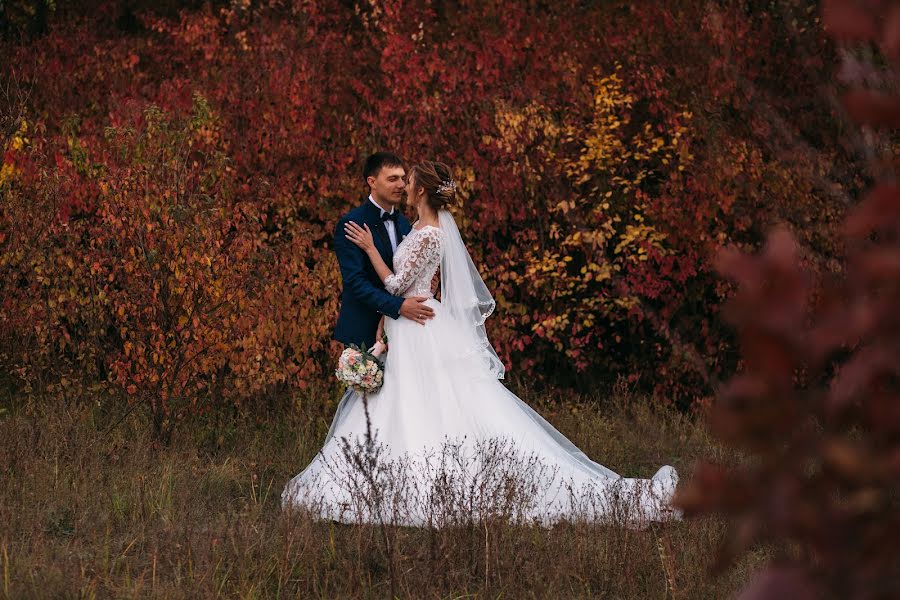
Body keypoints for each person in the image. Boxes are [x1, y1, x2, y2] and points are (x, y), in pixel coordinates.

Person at [282, 160, 679, 527]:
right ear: (373, 181)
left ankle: (434, 479)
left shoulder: (425, 233)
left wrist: (373, 253)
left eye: (409, 180)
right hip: (406, 327)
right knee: (408, 403)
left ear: (421, 192)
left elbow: (398, 285)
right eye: (397, 179)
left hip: (417, 326)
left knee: (428, 404)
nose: (405, 185)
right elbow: (381, 284)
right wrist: (387, 321)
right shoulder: (411, 227)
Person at [332, 152, 435, 351]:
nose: (401, 185)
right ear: (372, 181)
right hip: (364, 328)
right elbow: (355, 281)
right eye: (392, 179)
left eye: (403, 179)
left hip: (405, 327)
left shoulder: (406, 223)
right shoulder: (352, 224)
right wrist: (397, 306)